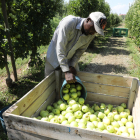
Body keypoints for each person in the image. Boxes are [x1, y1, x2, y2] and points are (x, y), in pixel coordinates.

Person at [45, 11, 107, 83]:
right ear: (88, 20)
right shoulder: (69, 23)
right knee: (49, 86)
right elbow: (60, 48)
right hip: (54, 59)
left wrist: (71, 65)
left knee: (74, 83)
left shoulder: (91, 35)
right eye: (94, 28)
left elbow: (80, 51)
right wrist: (66, 71)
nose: (94, 32)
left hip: (69, 60)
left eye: (96, 31)